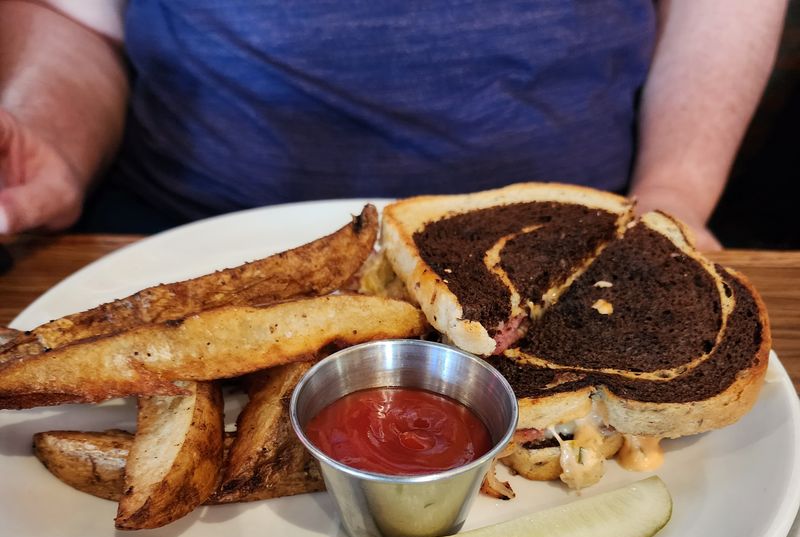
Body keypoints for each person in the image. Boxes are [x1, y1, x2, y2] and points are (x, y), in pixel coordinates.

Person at [0, 1, 788, 250]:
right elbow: (81, 18)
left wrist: (676, 187)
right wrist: (51, 136)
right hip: (184, 231)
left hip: (575, 239)